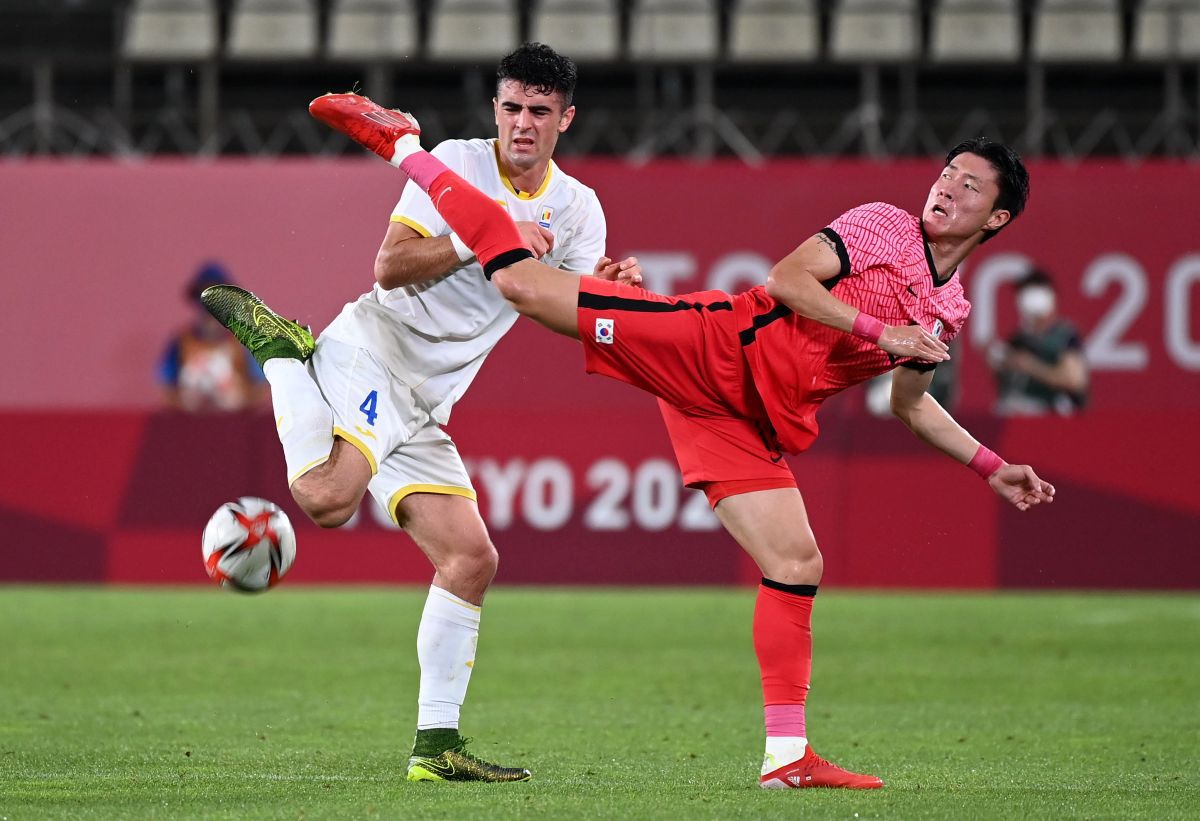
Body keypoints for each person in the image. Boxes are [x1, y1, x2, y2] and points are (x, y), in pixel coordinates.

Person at [308, 92, 1057, 790]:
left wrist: (992, 465)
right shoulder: (884, 226)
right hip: (715, 346)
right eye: (947, 173)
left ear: (995, 220)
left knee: (798, 561)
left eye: (969, 187)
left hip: (750, 418)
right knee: (523, 286)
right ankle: (406, 146)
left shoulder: (948, 307)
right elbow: (791, 279)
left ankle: (787, 756)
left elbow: (912, 404)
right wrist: (875, 328)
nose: (946, 189)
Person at [201, 44, 640, 783]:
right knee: (328, 498)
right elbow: (390, 266)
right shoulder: (457, 165)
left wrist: (608, 289)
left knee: (471, 559)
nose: (521, 124)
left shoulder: (578, 209)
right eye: (510, 107)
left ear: (567, 118)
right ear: (493, 108)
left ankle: (435, 748)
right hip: (375, 348)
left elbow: (561, 310)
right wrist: (481, 236)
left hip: (427, 400)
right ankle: (282, 352)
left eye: (539, 111)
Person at [158, 263, 267, 412]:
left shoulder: (244, 341)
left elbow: (262, 386)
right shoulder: (181, 341)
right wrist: (185, 401)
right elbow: (164, 384)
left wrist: (238, 398)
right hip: (189, 425)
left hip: (234, 425)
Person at [989, 268, 1089, 415]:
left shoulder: (1065, 336)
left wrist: (1030, 366)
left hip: (1056, 416)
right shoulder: (1019, 339)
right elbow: (1007, 388)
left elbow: (1074, 381)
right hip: (1020, 414)